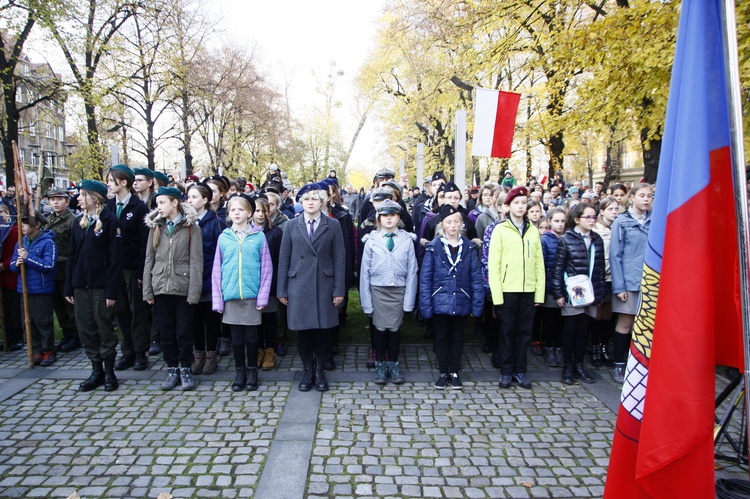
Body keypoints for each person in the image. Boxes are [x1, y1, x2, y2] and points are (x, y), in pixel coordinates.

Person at [277, 184, 346, 392]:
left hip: (324, 285)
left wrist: (339, 289)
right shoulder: (291, 226)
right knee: (304, 332)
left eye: (314, 199)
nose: (310, 203)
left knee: (324, 332)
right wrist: (281, 289)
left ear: (322, 202)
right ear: (300, 202)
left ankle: (320, 371)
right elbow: (284, 259)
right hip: (299, 285)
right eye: (306, 199)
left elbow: (339, 259)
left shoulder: (332, 225)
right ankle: (308, 371)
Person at [65, 180, 124, 391]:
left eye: (83, 194)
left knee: (104, 327)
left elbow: (116, 260)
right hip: (81, 285)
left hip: (101, 286)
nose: (78, 198)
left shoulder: (110, 221)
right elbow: (72, 256)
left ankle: (109, 372)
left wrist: (111, 290)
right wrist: (69, 286)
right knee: (86, 328)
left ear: (95, 198)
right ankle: (96, 370)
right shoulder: (77, 222)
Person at [143, 186, 203, 391]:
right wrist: (148, 291)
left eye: (162, 203)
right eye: (157, 203)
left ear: (175, 202)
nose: (158, 207)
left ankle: (185, 367)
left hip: (183, 287)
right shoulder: (155, 228)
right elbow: (149, 260)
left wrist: (194, 292)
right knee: (166, 331)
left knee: (184, 332)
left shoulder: (191, 228)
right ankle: (171, 368)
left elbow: (196, 261)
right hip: (161, 287)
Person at [420, 204, 484, 389]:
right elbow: (426, 278)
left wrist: (477, 304)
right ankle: (442, 371)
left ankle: (454, 371)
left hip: (462, 299)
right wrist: (426, 304)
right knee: (441, 337)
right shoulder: (433, 247)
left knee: (457, 338)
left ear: (461, 224)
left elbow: (476, 277)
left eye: (456, 221)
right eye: (449, 222)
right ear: (443, 225)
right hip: (439, 299)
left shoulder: (469, 248)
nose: (453, 225)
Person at [212, 194, 272, 391]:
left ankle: (252, 370)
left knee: (252, 337)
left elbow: (266, 268)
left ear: (249, 213)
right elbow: (216, 270)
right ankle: (240, 372)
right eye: (232, 210)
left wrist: (262, 295)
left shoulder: (259, 237)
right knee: (236, 338)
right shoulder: (224, 238)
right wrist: (217, 300)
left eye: (240, 209)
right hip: (230, 295)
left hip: (252, 296)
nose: (236, 213)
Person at [488, 186, 545, 389]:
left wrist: (539, 293)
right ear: (508, 206)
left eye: (524, 203)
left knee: (524, 333)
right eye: (517, 203)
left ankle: (520, 370)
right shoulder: (500, 230)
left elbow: (539, 264)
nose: (521, 207)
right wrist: (497, 296)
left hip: (528, 290)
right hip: (507, 290)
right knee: (506, 331)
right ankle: (506, 371)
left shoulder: (533, 231)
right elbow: (493, 265)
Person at [359, 199, 418, 385]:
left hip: (398, 291)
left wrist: (409, 300)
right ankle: (380, 365)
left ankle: (393, 364)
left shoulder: (407, 240)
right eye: (385, 215)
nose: (389, 219)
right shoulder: (371, 240)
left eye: (393, 215)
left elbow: (412, 271)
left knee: (394, 329)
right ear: (379, 218)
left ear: (398, 217)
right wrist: (366, 302)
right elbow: (364, 274)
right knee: (378, 328)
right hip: (378, 290)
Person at [551, 203, 606, 384]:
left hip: (590, 292)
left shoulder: (597, 239)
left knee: (584, 330)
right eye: (587, 217)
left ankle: (579, 365)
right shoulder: (567, 239)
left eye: (593, 217)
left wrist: (600, 294)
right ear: (576, 220)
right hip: (572, 292)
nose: (592, 220)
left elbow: (599, 270)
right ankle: (567, 367)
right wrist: (559, 293)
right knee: (570, 329)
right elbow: (558, 268)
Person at [107, 164, 151, 372]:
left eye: (111, 180)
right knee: (121, 311)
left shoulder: (138, 206)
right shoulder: (107, 206)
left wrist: (143, 271)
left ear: (123, 182)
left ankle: (141, 351)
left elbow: (144, 243)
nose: (108, 184)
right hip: (114, 269)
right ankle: (127, 352)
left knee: (137, 311)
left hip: (133, 268)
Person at [609, 183, 653, 382]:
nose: (646, 199)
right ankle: (619, 364)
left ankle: (640, 363)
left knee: (644, 325)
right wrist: (620, 286)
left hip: (650, 281)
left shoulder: (655, 220)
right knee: (626, 322)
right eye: (642, 195)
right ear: (632, 197)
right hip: (628, 280)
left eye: (649, 196)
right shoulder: (622, 221)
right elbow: (615, 255)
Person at [186, 182, 225, 376]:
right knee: (193, 320)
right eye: (188, 197)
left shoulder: (215, 222)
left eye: (194, 197)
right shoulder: (186, 222)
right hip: (191, 280)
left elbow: (220, 252)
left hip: (210, 278)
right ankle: (198, 355)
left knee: (210, 321)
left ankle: (211, 356)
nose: (190, 200)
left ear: (205, 199)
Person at [10, 211, 56, 366]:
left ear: (37, 225)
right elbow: (13, 264)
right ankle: (36, 350)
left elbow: (49, 265)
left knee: (43, 321)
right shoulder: (21, 242)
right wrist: (17, 264)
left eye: (25, 224)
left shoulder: (47, 242)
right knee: (29, 322)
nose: (22, 227)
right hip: (25, 289)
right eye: (21, 224)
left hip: (41, 290)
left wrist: (28, 257)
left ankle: (48, 350)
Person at [45, 189, 80, 353]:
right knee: (58, 304)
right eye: (52, 200)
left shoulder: (73, 221)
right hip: (52, 269)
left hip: (66, 267)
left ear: (67, 202)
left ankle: (75, 335)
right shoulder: (47, 220)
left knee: (69, 304)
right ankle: (66, 333)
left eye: (60, 199)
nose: (56, 202)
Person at [252, 196, 283, 370]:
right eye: (257, 211)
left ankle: (270, 350)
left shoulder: (276, 232)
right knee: (255, 320)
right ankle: (258, 350)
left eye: (264, 210)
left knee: (269, 319)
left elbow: (279, 259)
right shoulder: (247, 232)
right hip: (251, 283)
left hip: (269, 284)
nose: (261, 214)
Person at [590, 196, 619, 367]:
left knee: (608, 314)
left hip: (613, 278)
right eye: (610, 209)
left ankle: (603, 347)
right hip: (600, 276)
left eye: (616, 209)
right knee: (597, 313)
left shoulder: (619, 226)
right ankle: (594, 347)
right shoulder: (597, 230)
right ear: (602, 211)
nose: (614, 212)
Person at [540, 208, 567, 367]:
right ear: (549, 222)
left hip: (564, 287)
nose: (560, 224)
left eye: (563, 221)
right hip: (550, 287)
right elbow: (542, 265)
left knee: (561, 321)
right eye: (556, 221)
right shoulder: (545, 240)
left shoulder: (567, 238)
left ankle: (558, 347)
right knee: (550, 320)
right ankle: (549, 347)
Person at [0, 204, 22, 351]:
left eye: (1, 212)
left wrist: (4, 265)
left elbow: (17, 252)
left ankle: (17, 337)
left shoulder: (14, 231)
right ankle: (7, 337)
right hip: (1, 278)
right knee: (4, 310)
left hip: (11, 275)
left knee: (15, 310)